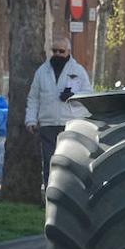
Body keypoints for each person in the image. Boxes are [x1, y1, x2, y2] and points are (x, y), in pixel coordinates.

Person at [26, 37, 92, 187]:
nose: (57, 54)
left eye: (61, 51)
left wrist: (74, 97)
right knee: (49, 162)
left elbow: (89, 96)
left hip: (70, 124)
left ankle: (69, 194)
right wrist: (30, 119)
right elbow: (33, 98)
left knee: (70, 162)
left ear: (68, 52)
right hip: (47, 125)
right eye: (54, 51)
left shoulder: (78, 71)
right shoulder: (42, 72)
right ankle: (50, 196)